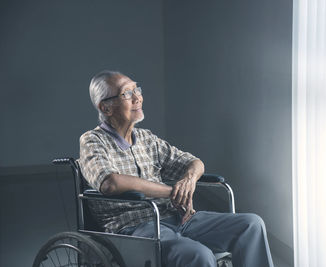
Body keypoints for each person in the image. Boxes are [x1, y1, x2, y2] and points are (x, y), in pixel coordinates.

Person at [79, 70, 274, 267]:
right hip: (134, 229)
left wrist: (188, 180)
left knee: (251, 225)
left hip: (176, 217)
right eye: (126, 94)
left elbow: (195, 162)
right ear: (106, 108)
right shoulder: (93, 141)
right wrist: (172, 192)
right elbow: (110, 183)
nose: (137, 97)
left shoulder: (147, 138)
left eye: (136, 89)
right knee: (199, 256)